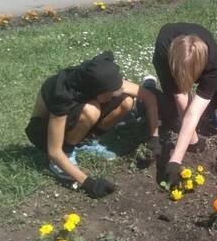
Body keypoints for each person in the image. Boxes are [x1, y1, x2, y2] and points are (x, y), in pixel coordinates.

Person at [25, 52, 161, 198]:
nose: (116, 94)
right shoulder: (63, 95)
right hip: (44, 131)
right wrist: (88, 183)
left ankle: (85, 142)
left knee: (127, 102)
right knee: (92, 110)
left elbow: (149, 97)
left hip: (77, 114)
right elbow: (54, 151)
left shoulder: (100, 78)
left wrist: (154, 138)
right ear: (99, 92)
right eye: (111, 94)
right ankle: (66, 154)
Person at [152, 23, 217, 184]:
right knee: (174, 118)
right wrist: (193, 143)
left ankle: (206, 112)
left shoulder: (212, 64)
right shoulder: (163, 56)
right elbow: (181, 101)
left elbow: (192, 114)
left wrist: (174, 159)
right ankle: (149, 89)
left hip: (206, 56)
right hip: (171, 57)